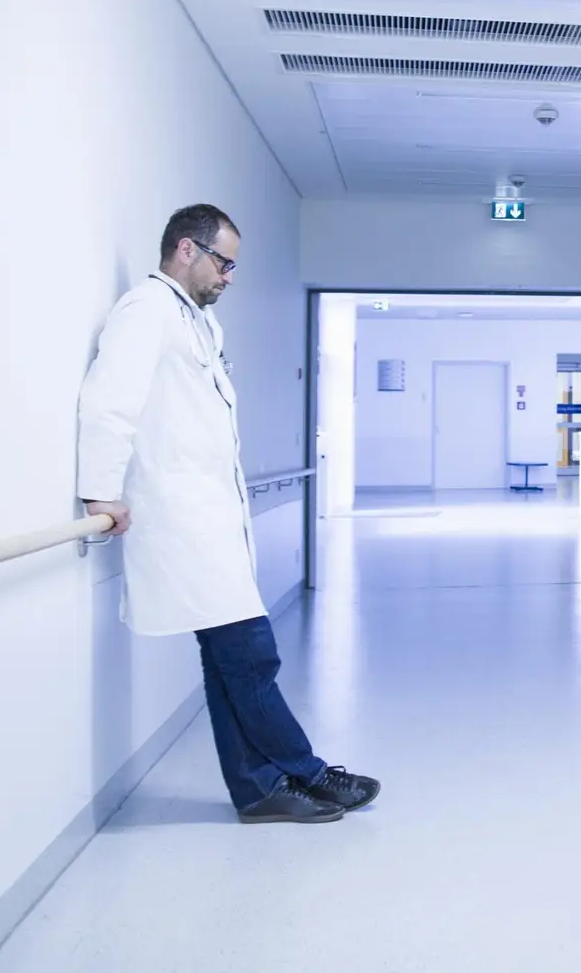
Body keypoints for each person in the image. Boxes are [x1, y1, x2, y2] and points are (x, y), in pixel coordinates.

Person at [77, 204, 379, 824]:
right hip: (181, 521)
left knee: (227, 663)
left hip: (210, 518)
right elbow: (108, 405)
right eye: (224, 263)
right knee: (250, 654)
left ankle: (258, 790)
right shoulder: (146, 311)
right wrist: (99, 493)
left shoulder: (196, 322)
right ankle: (307, 772)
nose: (229, 277)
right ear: (186, 249)